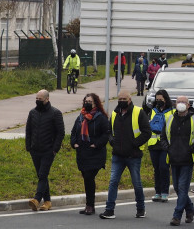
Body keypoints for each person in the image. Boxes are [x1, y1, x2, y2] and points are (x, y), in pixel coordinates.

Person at [99, 91, 152, 220]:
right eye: (120, 98)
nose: (122, 100)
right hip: (118, 155)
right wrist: (112, 141)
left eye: (124, 98)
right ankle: (109, 210)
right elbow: (109, 130)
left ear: (130, 99)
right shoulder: (115, 113)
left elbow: (147, 132)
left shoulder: (138, 112)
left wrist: (135, 143)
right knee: (113, 182)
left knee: (137, 183)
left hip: (133, 155)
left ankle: (141, 209)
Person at [71, 93, 111, 215]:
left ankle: (90, 205)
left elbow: (106, 134)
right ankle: (89, 205)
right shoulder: (81, 117)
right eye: (85, 101)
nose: (87, 103)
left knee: (89, 177)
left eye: (90, 102)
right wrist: (74, 143)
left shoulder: (100, 117)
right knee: (86, 179)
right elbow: (74, 132)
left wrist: (97, 144)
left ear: (95, 103)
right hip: (82, 152)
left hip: (95, 153)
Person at [26, 89, 65, 211]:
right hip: (35, 150)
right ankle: (47, 201)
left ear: (47, 99)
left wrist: (55, 149)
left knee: (43, 174)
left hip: (48, 150)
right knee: (41, 175)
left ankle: (37, 199)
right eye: (36, 99)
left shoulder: (55, 113)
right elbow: (29, 130)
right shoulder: (32, 113)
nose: (38, 101)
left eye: (40, 99)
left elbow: (61, 132)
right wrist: (29, 146)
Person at [165, 96, 194, 226]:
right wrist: (167, 148)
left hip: (187, 159)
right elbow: (163, 135)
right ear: (175, 104)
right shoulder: (169, 118)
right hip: (173, 158)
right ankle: (190, 209)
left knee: (182, 187)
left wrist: (193, 148)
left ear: (188, 105)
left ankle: (177, 215)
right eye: (178, 102)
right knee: (177, 187)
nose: (180, 104)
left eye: (183, 102)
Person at [145, 90, 174, 202]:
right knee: (156, 169)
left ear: (166, 99)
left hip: (165, 144)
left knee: (164, 167)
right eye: (157, 100)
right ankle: (157, 192)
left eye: (161, 100)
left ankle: (165, 192)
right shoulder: (153, 111)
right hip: (153, 144)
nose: (158, 102)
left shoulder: (172, 112)